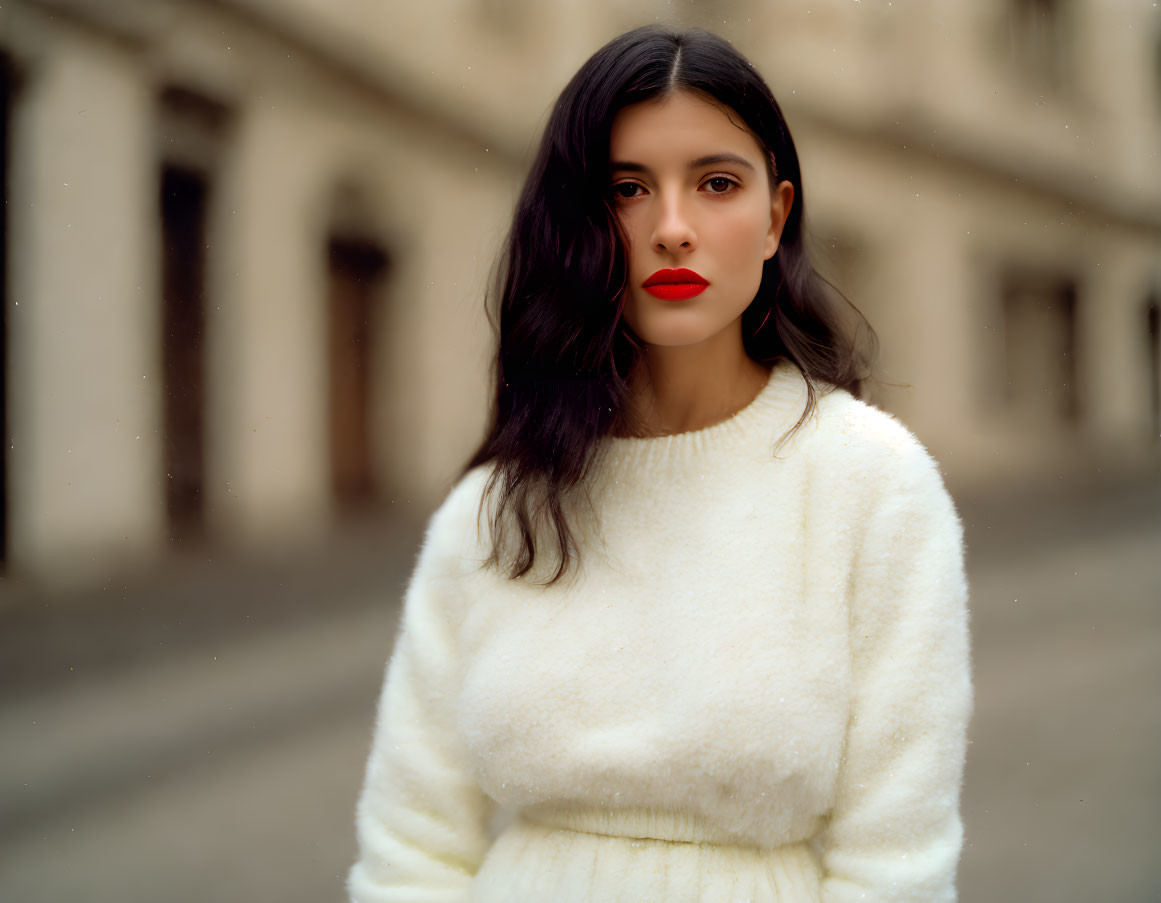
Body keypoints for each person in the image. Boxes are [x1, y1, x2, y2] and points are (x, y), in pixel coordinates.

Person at [348, 24, 973, 903]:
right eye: (626, 189)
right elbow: (408, 848)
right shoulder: (496, 506)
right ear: (577, 224)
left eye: (716, 184)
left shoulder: (871, 485)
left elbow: (896, 863)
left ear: (775, 217)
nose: (672, 228)